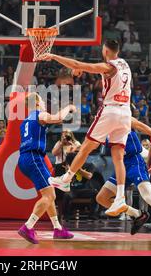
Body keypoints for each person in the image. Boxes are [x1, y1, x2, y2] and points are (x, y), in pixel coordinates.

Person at [42, 40, 132, 216]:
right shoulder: (124, 65)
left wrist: (53, 56)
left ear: (105, 50)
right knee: (118, 157)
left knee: (85, 148)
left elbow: (77, 64)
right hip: (126, 113)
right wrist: (82, 71)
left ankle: (66, 179)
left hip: (111, 110)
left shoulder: (108, 66)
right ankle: (120, 197)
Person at [96, 118, 151, 244]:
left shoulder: (125, 118)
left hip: (135, 163)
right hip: (121, 165)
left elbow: (148, 130)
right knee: (102, 198)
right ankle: (137, 214)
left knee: (148, 196)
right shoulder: (104, 128)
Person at [17, 93, 75, 244]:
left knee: (50, 194)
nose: (44, 103)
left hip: (24, 158)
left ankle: (57, 228)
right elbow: (58, 118)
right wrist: (68, 107)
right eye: (42, 100)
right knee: (49, 196)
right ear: (37, 102)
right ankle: (28, 227)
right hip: (33, 158)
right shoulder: (39, 114)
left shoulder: (24, 122)